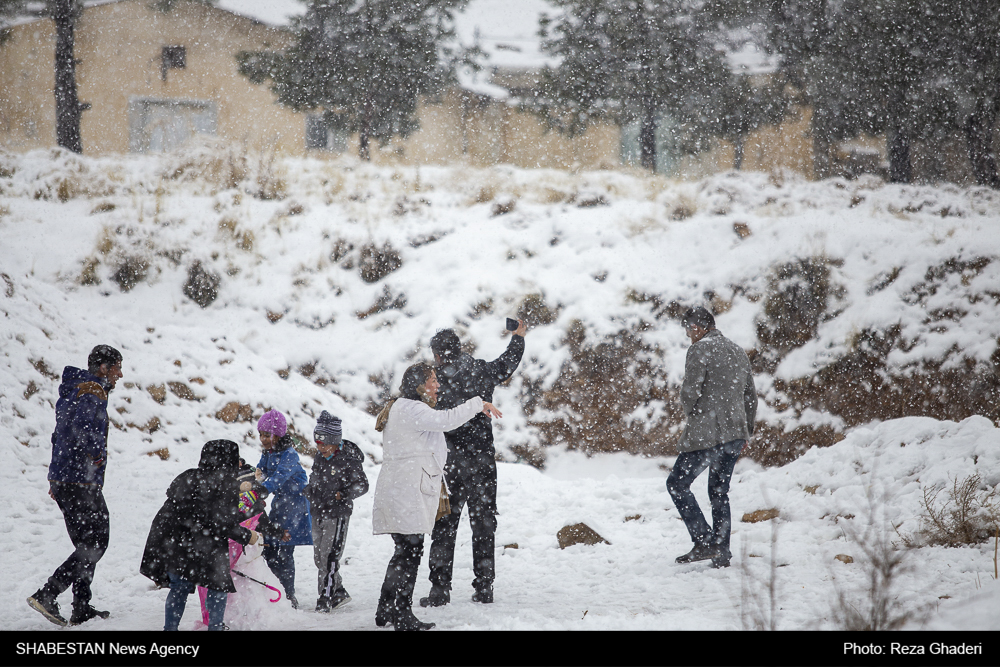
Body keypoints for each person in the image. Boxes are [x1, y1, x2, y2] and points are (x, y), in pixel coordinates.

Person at [372, 363, 502, 630]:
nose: (438, 384)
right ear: (420, 385)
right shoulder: (413, 408)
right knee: (410, 550)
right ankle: (401, 613)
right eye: (432, 380)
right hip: (407, 490)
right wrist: (478, 403)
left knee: (404, 549)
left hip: (399, 487)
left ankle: (386, 608)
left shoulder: (401, 407)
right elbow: (447, 420)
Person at [420, 321, 525, 607]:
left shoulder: (434, 380)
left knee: (444, 524)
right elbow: (507, 364)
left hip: (448, 461)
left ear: (439, 354)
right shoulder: (480, 369)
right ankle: (484, 587)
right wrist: (518, 337)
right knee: (483, 523)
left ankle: (439, 590)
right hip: (481, 460)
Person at [27, 345, 123, 627]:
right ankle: (48, 592)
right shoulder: (91, 392)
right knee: (96, 543)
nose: (120, 373)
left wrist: (55, 475)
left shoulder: (74, 388)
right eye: (116, 367)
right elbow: (80, 429)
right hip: (80, 480)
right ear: (103, 368)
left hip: (66, 478)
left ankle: (81, 606)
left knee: (85, 544)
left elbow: (59, 432)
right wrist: (96, 454)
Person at [667, 307, 758, 569]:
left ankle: (705, 541)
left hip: (709, 434)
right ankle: (721, 551)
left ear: (698, 327)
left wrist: (692, 414)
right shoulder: (738, 351)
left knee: (677, 483)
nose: (687, 335)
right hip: (734, 435)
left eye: (688, 329)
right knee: (719, 492)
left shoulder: (700, 349)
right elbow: (749, 396)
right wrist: (745, 431)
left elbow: (690, 391)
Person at [139, 439, 261, 631]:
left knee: (178, 589)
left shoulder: (189, 477)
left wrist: (237, 487)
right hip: (207, 547)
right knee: (217, 587)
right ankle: (215, 627)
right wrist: (249, 536)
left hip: (177, 545)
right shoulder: (224, 487)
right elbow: (222, 523)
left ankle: (169, 629)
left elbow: (201, 498)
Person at [303, 411, 369, 612]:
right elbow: (315, 476)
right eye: (317, 443)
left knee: (330, 556)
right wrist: (310, 489)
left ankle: (326, 596)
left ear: (335, 441)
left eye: (324, 444)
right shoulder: (320, 457)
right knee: (318, 557)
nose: (320, 447)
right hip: (319, 511)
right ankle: (338, 591)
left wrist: (344, 494)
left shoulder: (348, 459)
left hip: (337, 514)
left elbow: (362, 485)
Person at [255, 409, 312, 609]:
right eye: (261, 434)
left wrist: (261, 491)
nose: (263, 439)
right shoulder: (268, 453)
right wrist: (252, 481)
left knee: (285, 552)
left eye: (267, 435)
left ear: (278, 435)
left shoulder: (289, 455)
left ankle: (289, 595)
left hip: (295, 507)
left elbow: (278, 478)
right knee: (269, 547)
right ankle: (274, 589)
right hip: (280, 505)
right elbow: (260, 473)